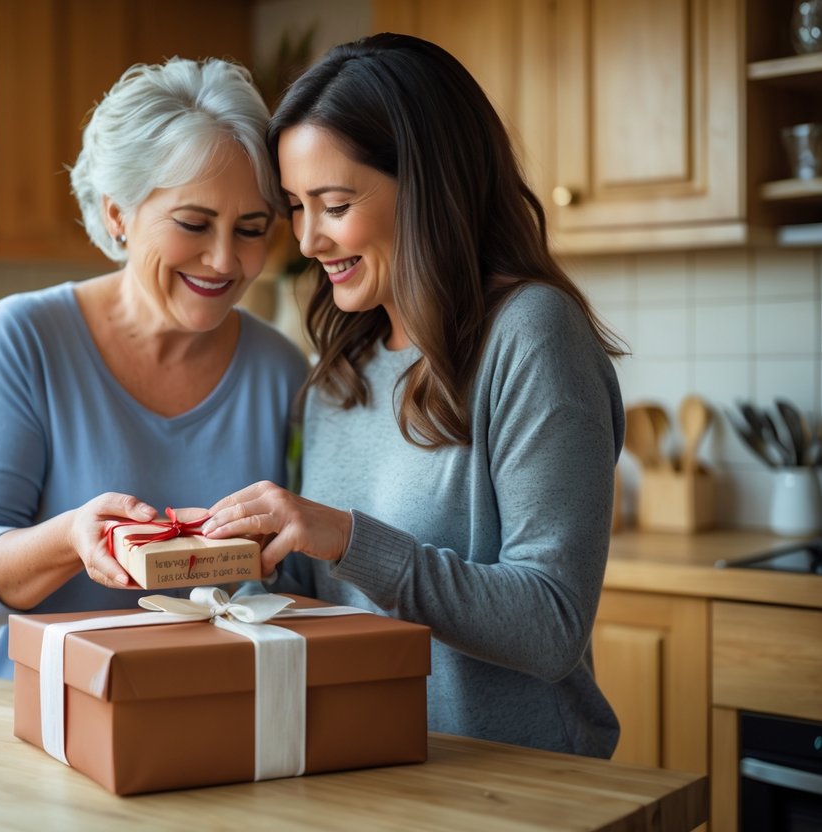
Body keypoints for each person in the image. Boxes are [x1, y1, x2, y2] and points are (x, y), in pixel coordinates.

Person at [202, 33, 627, 759]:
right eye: (295, 208)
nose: (306, 240)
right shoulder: (345, 361)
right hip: (373, 771)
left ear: (427, 184)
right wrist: (238, 565)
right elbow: (330, 589)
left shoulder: (530, 334)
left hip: (517, 789)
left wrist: (343, 535)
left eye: (332, 205)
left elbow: (550, 625)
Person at [0, 57, 309, 679]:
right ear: (117, 214)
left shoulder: (279, 369)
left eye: (251, 229)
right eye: (193, 223)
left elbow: (296, 581)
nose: (223, 260)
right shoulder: (26, 336)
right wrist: (70, 538)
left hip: (207, 715)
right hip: (35, 720)